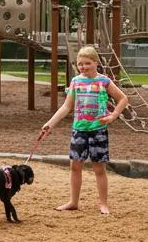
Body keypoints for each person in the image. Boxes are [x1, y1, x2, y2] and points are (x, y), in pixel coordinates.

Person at [41, 45, 128, 214]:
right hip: (79, 130)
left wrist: (113, 115)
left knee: (99, 169)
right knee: (75, 167)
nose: (83, 67)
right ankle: (73, 202)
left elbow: (123, 99)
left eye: (87, 63)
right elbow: (66, 107)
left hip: (98, 130)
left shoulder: (104, 81)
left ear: (96, 63)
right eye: (80, 64)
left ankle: (103, 203)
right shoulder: (75, 81)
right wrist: (50, 124)